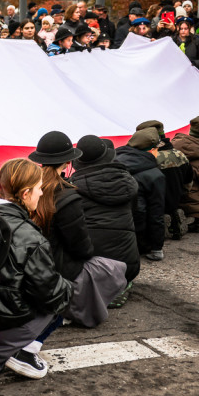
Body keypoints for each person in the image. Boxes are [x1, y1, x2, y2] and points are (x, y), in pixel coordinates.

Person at [0, 158, 72, 379]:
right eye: (39, 189)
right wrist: (67, 288)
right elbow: (49, 294)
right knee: (64, 294)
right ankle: (23, 352)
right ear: (25, 194)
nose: (41, 194)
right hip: (8, 322)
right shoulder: (31, 236)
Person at [29, 131, 127, 327]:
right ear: (67, 162)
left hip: (31, 264)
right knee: (114, 268)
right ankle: (69, 308)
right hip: (57, 266)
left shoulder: (28, 188)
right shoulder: (67, 197)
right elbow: (81, 248)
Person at [69, 135, 140, 290]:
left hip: (89, 268)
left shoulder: (72, 190)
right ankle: (117, 287)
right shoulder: (129, 182)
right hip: (127, 267)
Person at [114, 128, 167, 261]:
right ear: (152, 150)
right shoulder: (155, 175)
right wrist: (157, 248)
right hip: (137, 237)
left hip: (108, 232)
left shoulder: (112, 161)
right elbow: (156, 213)